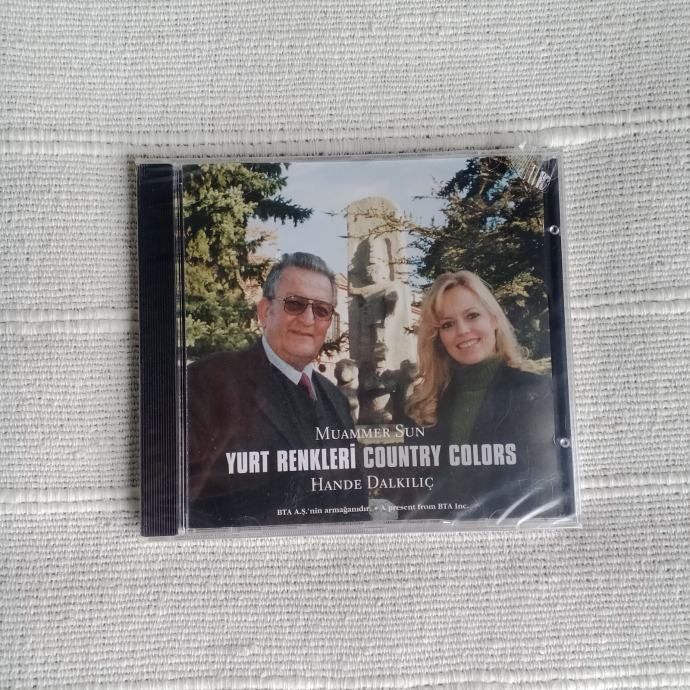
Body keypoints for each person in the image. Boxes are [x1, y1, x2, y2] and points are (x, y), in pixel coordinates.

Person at [187, 252, 368, 528]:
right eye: (295, 304)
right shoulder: (207, 382)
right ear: (265, 311)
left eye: (321, 310)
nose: (308, 319)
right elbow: (178, 504)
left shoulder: (336, 399)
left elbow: (357, 505)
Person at [406, 271, 566, 521]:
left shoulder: (537, 392)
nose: (462, 330)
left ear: (493, 319)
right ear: (438, 338)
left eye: (472, 316)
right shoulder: (425, 408)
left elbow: (545, 494)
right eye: (447, 324)